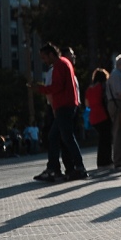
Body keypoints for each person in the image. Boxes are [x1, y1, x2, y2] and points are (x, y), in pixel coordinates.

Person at [30, 43, 88, 181]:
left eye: (44, 57)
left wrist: (40, 89)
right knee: (57, 136)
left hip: (64, 105)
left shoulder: (59, 65)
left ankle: (76, 168)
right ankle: (57, 167)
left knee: (65, 137)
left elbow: (57, 86)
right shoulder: (64, 63)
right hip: (66, 105)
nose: (44, 61)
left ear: (51, 54)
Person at [84, 69, 113, 170]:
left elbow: (87, 104)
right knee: (106, 139)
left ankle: (101, 161)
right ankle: (106, 160)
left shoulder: (89, 89)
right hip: (103, 114)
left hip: (93, 116)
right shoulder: (102, 87)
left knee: (101, 139)